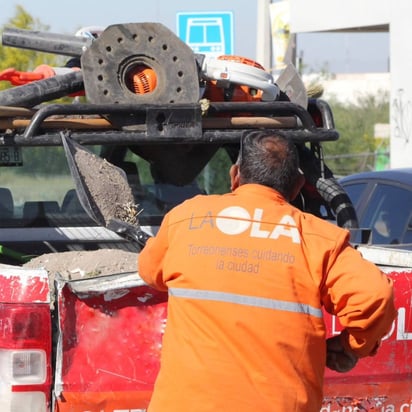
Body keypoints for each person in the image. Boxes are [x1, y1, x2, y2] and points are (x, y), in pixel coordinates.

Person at [138, 130, 397, 412]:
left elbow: (150, 270)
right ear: (298, 186)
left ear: (235, 175)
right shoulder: (317, 239)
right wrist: (351, 346)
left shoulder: (186, 219)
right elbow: (375, 297)